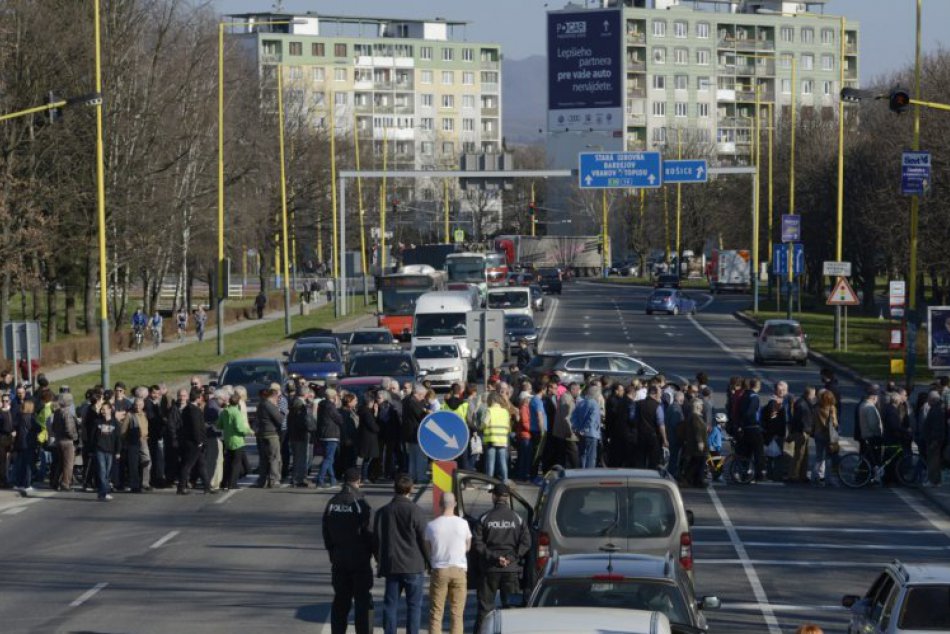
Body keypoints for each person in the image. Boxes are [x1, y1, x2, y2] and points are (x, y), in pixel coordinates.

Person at [472, 482, 531, 634]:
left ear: (494, 497)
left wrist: (495, 558)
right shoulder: (517, 518)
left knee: (485, 609)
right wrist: (510, 558)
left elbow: (478, 544)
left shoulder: (485, 518)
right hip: (510, 570)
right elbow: (526, 543)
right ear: (507, 497)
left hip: (489, 569)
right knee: (511, 609)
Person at [374, 474, 429, 634]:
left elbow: (377, 539)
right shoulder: (416, 511)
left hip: (392, 565)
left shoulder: (383, 512)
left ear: (394, 489)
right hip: (413, 565)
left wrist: (379, 559)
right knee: (414, 606)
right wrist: (429, 561)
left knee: (390, 605)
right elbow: (423, 539)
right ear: (411, 489)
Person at [323, 467, 374, 634]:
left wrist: (332, 552)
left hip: (339, 559)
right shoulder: (360, 503)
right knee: (363, 602)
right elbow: (370, 532)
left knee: (340, 601)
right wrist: (375, 555)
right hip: (359, 560)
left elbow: (326, 531)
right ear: (358, 481)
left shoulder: (332, 503)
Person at [425, 492, 471, 634]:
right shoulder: (463, 524)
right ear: (455, 504)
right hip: (458, 570)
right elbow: (468, 546)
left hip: (439, 570)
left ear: (440, 504)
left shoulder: (431, 526)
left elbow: (428, 549)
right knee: (457, 613)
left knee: (436, 612)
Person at [177, 387, 213, 495]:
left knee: (201, 464)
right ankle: (181, 487)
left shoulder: (187, 409)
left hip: (191, 441)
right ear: (198, 398)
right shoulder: (194, 410)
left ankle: (207, 486)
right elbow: (196, 427)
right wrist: (199, 441)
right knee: (188, 465)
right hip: (194, 443)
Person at [218, 391, 253, 490]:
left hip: (228, 439)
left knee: (228, 462)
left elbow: (219, 425)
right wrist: (248, 431)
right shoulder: (237, 413)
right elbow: (240, 427)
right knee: (236, 463)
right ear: (238, 402)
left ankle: (224, 482)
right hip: (237, 440)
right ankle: (232, 483)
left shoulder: (225, 411)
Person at [288, 388, 317, 487]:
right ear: (306, 394)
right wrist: (310, 427)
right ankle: (299, 479)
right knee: (300, 457)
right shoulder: (299, 404)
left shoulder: (297, 402)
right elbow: (302, 420)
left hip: (296, 434)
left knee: (299, 457)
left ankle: (298, 478)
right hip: (299, 434)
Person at [255, 387, 283, 488]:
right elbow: (279, 419)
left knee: (263, 458)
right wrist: (279, 410)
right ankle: (274, 480)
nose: (278, 400)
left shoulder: (261, 404)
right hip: (271, 434)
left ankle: (262, 480)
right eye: (278, 397)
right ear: (274, 396)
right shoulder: (269, 405)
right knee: (274, 458)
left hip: (262, 434)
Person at [401, 385, 430, 484]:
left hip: (408, 433)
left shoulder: (406, 400)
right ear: (418, 394)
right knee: (421, 457)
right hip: (416, 432)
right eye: (423, 396)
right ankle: (421, 477)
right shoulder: (414, 402)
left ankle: (412, 476)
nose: (423, 398)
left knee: (412, 457)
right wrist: (427, 412)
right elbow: (421, 416)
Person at [92, 402, 121, 501]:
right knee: (102, 471)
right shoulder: (97, 422)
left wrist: (118, 451)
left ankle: (103, 491)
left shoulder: (115, 423)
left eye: (105, 409)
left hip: (111, 450)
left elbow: (118, 438)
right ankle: (104, 492)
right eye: (102, 409)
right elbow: (93, 437)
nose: (103, 411)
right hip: (99, 449)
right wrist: (92, 449)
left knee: (108, 472)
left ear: (110, 410)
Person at [787, 387, 816, 483]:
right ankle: (794, 475)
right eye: (813, 394)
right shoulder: (802, 404)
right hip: (801, 432)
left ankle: (802, 475)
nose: (814, 396)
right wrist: (803, 431)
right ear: (809, 394)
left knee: (804, 455)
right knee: (799, 455)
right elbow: (800, 420)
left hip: (804, 431)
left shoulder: (804, 403)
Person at [812, 389, 840, 487]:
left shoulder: (816, 408)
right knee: (829, 458)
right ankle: (829, 479)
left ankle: (815, 477)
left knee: (819, 457)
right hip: (829, 436)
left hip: (818, 434)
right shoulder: (831, 408)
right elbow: (834, 423)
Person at [316, 389, 343, 488]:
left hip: (323, 434)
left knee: (329, 459)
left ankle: (333, 480)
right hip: (331, 434)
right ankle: (320, 480)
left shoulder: (322, 405)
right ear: (334, 396)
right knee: (328, 459)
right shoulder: (331, 406)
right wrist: (336, 406)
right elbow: (339, 419)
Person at [678, 399, 708, 487]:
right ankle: (696, 481)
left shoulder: (696, 416)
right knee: (698, 463)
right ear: (698, 407)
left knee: (695, 463)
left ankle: (692, 480)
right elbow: (697, 430)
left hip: (695, 445)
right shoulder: (695, 417)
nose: (702, 407)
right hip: (696, 445)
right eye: (701, 405)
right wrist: (700, 442)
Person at [571, 384, 602, 469]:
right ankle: (589, 475)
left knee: (582, 455)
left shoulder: (581, 403)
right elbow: (592, 419)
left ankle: (581, 472)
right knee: (591, 456)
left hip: (581, 433)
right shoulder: (595, 404)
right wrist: (585, 429)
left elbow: (573, 417)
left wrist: (577, 429)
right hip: (591, 433)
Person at [483, 392, 512, 482]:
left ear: (491, 400)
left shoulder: (489, 410)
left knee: (490, 462)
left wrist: (480, 427)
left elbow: (485, 423)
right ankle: (505, 481)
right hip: (502, 440)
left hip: (491, 439)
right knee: (503, 462)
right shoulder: (505, 411)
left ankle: (490, 482)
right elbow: (508, 427)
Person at [922, 391, 946, 487]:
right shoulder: (937, 409)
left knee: (933, 461)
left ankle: (933, 481)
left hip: (934, 440)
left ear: (932, 399)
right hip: (934, 439)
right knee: (934, 461)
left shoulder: (935, 410)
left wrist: (934, 440)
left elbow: (936, 427)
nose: (927, 401)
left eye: (928, 399)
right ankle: (936, 480)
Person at [357, 391, 381, 483]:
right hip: (369, 439)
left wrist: (375, 413)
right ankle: (364, 476)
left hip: (366, 437)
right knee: (367, 459)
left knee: (367, 459)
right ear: (370, 402)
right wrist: (378, 428)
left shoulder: (364, 410)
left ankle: (365, 476)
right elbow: (373, 426)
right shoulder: (366, 412)